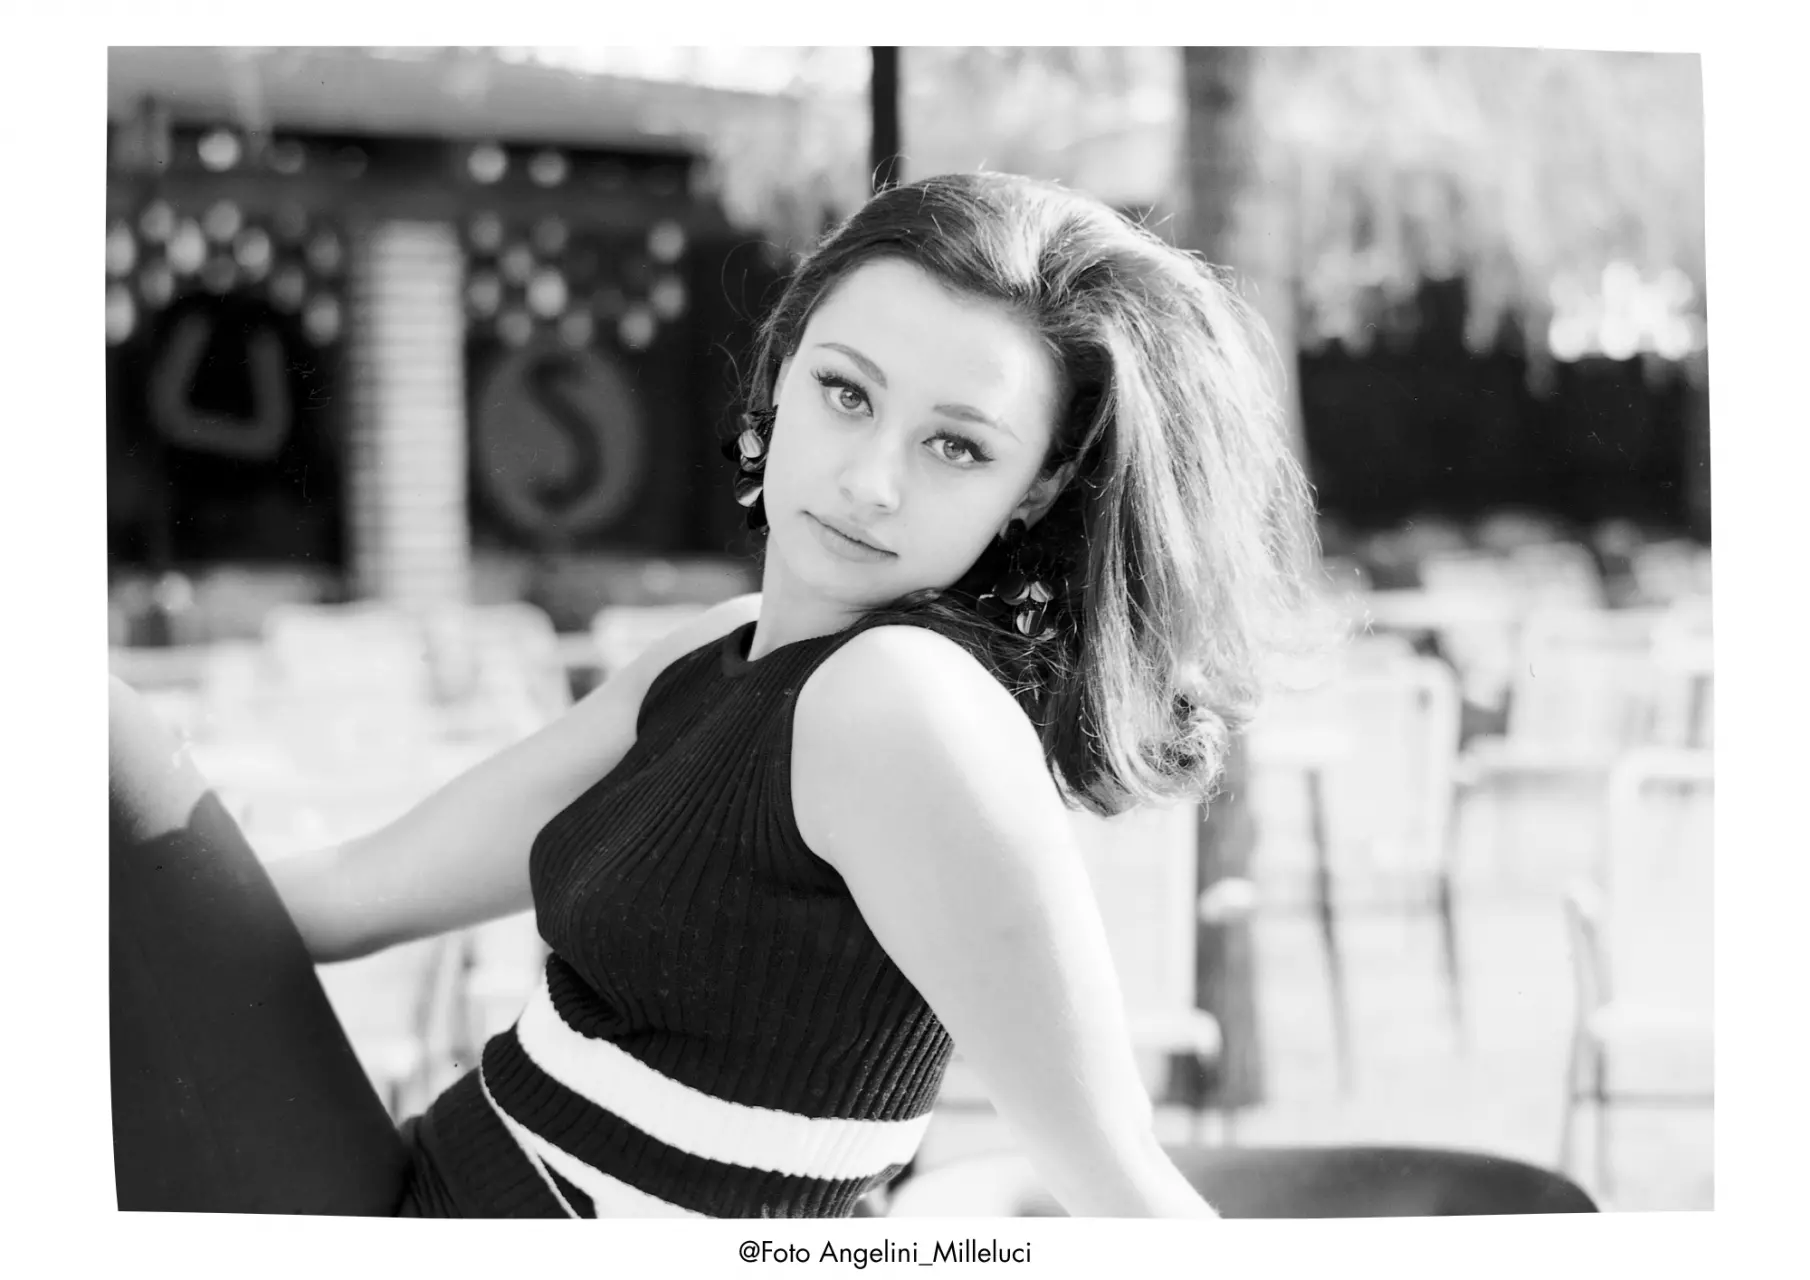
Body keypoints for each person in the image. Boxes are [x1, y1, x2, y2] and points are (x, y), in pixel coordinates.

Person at [110, 171, 1329, 1218]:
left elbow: (1119, 1179)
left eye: (955, 445)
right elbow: (351, 896)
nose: (870, 481)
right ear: (781, 372)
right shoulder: (718, 654)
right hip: (418, 1187)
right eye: (846, 392)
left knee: (93, 737)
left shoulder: (904, 704)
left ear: (1037, 488)